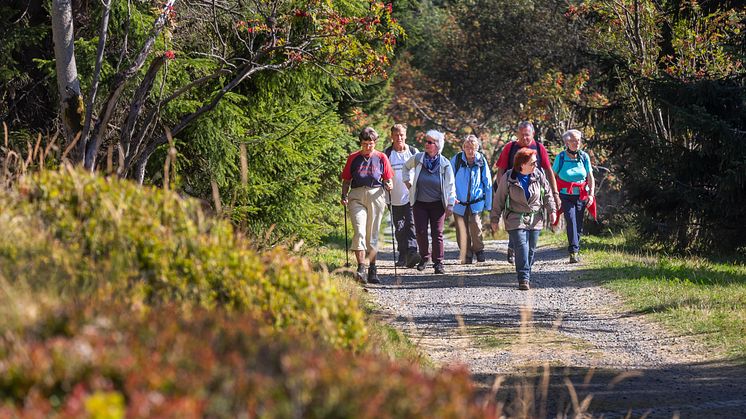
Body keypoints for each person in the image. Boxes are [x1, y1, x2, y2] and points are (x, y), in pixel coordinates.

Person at [494, 121, 561, 263]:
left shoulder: (539, 148)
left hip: (533, 191)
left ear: (533, 134)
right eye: (522, 135)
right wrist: (503, 190)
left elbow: (548, 171)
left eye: (528, 135)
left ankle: (522, 258)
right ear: (517, 134)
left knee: (529, 227)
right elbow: (501, 170)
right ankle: (513, 248)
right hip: (512, 189)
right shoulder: (510, 147)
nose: (525, 138)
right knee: (515, 221)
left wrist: (555, 194)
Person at [491, 148, 557, 290]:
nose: (536, 165)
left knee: (531, 249)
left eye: (536, 162)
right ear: (522, 164)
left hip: (535, 217)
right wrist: (494, 219)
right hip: (515, 217)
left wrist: (552, 211)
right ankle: (523, 278)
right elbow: (499, 199)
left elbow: (547, 194)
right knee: (522, 247)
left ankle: (526, 271)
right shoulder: (508, 177)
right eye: (532, 163)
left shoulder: (538, 175)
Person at [341, 127, 394, 284]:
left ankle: (373, 269)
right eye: (365, 144)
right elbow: (346, 180)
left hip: (376, 194)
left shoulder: (381, 157)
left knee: (372, 233)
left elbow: (388, 178)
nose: (367, 147)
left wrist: (389, 185)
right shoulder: (353, 158)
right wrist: (343, 195)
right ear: (360, 143)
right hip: (356, 195)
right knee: (359, 231)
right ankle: (361, 268)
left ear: (375, 143)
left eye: (370, 144)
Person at [403, 129, 456, 274]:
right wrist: (407, 181)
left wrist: (450, 203)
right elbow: (405, 167)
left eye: (430, 142)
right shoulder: (418, 158)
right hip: (419, 202)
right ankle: (425, 257)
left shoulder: (445, 163)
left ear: (437, 145)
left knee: (437, 233)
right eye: (426, 141)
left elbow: (451, 185)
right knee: (420, 231)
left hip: (438, 204)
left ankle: (438, 263)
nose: (426, 144)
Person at [552, 129, 596, 263]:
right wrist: (554, 195)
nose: (577, 143)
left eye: (578, 140)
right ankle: (573, 252)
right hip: (565, 195)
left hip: (581, 195)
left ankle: (575, 248)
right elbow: (552, 176)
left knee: (578, 222)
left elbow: (590, 176)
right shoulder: (560, 157)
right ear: (566, 142)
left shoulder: (584, 157)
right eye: (573, 140)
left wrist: (591, 195)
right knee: (571, 220)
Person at [384, 124, 422, 268]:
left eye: (401, 135)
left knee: (411, 224)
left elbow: (420, 171)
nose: (399, 138)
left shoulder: (413, 152)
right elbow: (382, 175)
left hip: (411, 196)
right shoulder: (387, 154)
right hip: (393, 198)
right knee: (399, 228)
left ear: (405, 135)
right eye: (396, 135)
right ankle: (402, 255)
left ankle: (412, 253)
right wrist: (385, 184)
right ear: (392, 137)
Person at [451, 135, 493, 264]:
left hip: (476, 201)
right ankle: (466, 254)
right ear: (463, 147)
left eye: (473, 148)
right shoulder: (457, 160)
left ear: (477, 148)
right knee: (461, 229)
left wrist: (488, 204)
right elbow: (449, 180)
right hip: (458, 202)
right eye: (467, 147)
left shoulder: (481, 161)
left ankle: (479, 250)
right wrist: (450, 198)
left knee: (476, 225)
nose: (470, 150)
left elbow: (488, 183)